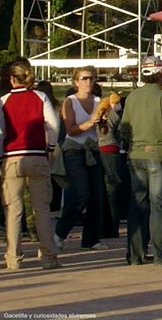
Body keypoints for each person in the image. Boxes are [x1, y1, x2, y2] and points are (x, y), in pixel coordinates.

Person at [120, 69, 162, 266]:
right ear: (159, 76)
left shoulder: (132, 97)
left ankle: (135, 255)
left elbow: (124, 129)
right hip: (158, 154)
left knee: (137, 204)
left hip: (135, 154)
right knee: (158, 205)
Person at [1, 59, 61, 270]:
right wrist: (50, 147)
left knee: (13, 210)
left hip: (12, 158)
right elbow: (53, 125)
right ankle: (49, 257)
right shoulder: (40, 96)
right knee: (42, 209)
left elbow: (1, 132)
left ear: (12, 79)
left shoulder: (4, 101)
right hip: (37, 155)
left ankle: (13, 258)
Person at [56, 67, 107, 252]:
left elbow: (103, 131)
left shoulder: (98, 101)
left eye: (92, 78)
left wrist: (103, 122)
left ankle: (90, 239)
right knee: (81, 194)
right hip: (74, 149)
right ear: (76, 82)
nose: (89, 82)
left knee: (97, 195)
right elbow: (71, 129)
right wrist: (90, 121)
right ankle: (59, 232)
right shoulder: (70, 101)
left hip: (92, 149)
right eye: (84, 78)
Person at [95, 91, 125, 239]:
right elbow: (120, 134)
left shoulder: (97, 115)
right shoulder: (114, 115)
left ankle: (101, 226)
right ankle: (113, 227)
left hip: (99, 150)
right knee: (113, 189)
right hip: (112, 150)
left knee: (102, 190)